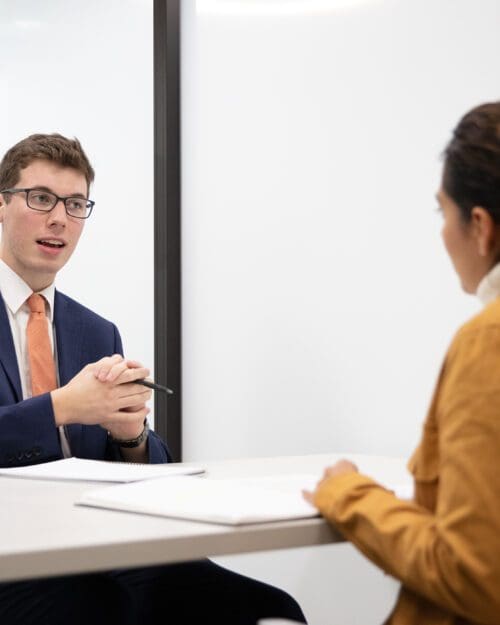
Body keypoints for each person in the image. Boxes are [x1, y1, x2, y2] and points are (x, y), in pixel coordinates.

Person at [0, 133, 306, 625]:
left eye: (76, 204)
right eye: (41, 199)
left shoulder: (96, 330)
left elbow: (141, 468)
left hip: (99, 544)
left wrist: (131, 435)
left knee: (266, 607)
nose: (59, 218)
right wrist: (63, 407)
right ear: (2, 204)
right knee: (96, 609)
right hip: (12, 555)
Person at [305, 101, 500, 625]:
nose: (442, 232)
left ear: (481, 227)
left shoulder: (489, 341)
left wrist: (347, 493)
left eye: (442, 211)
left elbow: (474, 573)